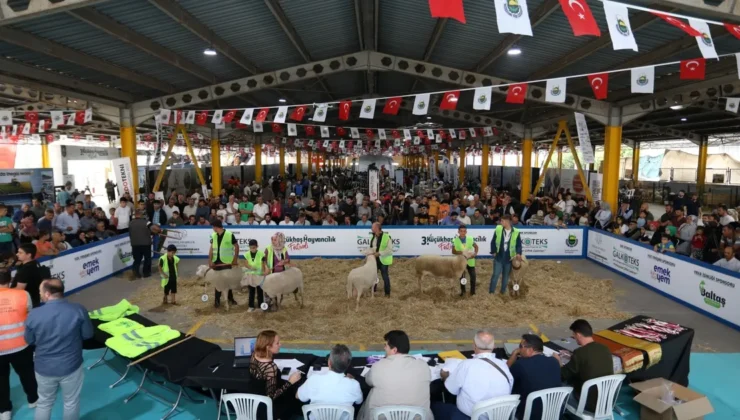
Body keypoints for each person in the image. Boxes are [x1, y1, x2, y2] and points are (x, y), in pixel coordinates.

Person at [25, 279, 93, 420]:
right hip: (71, 366)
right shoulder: (78, 309)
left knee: (44, 403)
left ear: (48, 294)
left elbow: (29, 340)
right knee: (71, 402)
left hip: (44, 368)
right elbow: (88, 334)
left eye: (40, 292)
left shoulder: (34, 314)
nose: (40, 294)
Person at [433, 330, 512, 420]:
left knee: (436, 406)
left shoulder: (466, 365)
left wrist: (445, 376)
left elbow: (452, 390)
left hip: (468, 416)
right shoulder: (503, 365)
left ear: (474, 346)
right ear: (494, 346)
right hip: (500, 416)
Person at [358, 331, 431, 420]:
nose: (384, 348)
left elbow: (368, 381)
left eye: (386, 345)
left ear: (394, 350)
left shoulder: (378, 366)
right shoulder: (423, 366)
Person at [0, 270, 38, 420]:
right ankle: (33, 399)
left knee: (0, 379)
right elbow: (31, 316)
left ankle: (4, 410)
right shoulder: (22, 295)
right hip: (21, 345)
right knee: (27, 373)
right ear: (10, 280)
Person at [554, 319, 613, 412]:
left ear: (578, 335)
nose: (573, 337)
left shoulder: (580, 353)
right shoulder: (605, 348)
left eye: (573, 334)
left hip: (587, 404)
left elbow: (562, 375)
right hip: (607, 402)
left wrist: (558, 362)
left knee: (557, 384)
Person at [296, 344, 363, 415]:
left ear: (329, 362)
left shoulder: (314, 379)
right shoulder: (354, 384)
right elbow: (359, 401)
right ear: (348, 365)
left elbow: (298, 396)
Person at [249, 330, 302, 419]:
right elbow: (271, 396)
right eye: (277, 343)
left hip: (256, 402)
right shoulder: (270, 367)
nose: (280, 344)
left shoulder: (254, 355)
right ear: (268, 347)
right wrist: (290, 382)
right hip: (268, 408)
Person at [507, 334, 561, 420]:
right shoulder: (554, 361)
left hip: (529, 415)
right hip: (553, 413)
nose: (519, 349)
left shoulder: (520, 365)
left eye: (521, 346)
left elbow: (506, 376)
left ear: (530, 350)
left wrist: (514, 355)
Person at [209, 220, 239, 308]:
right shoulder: (214, 236)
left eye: (213, 227)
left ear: (216, 227)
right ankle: (217, 301)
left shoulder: (229, 234)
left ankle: (230, 299)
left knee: (227, 281)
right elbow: (211, 248)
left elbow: (236, 246)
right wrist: (210, 260)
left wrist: (235, 259)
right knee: (217, 281)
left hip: (226, 262)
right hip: (216, 262)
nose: (212, 229)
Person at [490, 215, 522, 294]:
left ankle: (502, 292)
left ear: (507, 222)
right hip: (499, 256)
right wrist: (494, 251)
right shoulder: (498, 229)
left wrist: (518, 253)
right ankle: (491, 292)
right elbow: (493, 241)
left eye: (502, 221)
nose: (501, 222)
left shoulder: (516, 232)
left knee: (505, 277)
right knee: (495, 275)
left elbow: (519, 244)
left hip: (509, 258)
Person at [453, 225, 478, 297]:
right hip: (461, 261)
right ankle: (463, 291)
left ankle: (472, 292)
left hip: (470, 260)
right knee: (462, 277)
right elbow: (453, 251)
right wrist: (462, 253)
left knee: (473, 276)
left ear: (466, 231)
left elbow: (476, 246)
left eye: (464, 231)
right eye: (461, 231)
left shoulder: (470, 238)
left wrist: (475, 253)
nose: (463, 232)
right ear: (458, 231)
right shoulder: (455, 240)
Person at [370, 222, 393, 297]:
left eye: (372, 227)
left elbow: (389, 250)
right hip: (375, 260)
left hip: (383, 260)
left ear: (377, 228)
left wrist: (379, 253)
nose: (371, 228)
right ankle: (373, 290)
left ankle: (387, 293)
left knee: (385, 276)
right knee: (374, 276)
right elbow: (372, 248)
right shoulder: (373, 237)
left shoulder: (386, 237)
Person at [243, 240, 265, 312]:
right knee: (251, 291)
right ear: (249, 247)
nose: (253, 249)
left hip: (259, 275)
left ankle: (260, 306)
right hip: (251, 276)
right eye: (251, 247)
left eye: (254, 247)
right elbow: (245, 264)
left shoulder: (261, 254)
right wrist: (250, 267)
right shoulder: (246, 254)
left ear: (257, 246)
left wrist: (263, 272)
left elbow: (263, 264)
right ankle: (251, 306)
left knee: (260, 291)